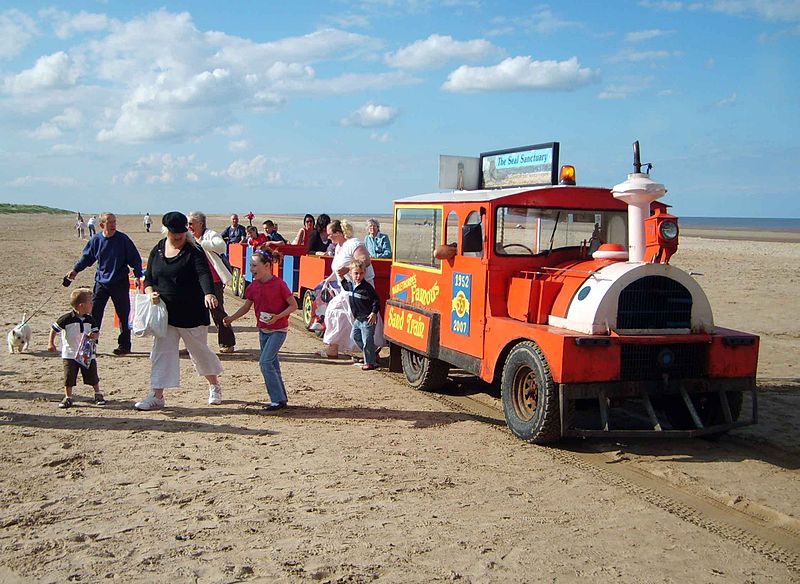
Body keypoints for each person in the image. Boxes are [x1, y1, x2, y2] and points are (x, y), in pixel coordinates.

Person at [134, 211, 224, 410]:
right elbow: (149, 277)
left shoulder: (194, 251)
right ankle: (157, 395)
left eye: (182, 235)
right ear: (167, 232)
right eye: (175, 235)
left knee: (199, 352)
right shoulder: (158, 249)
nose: (179, 238)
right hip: (166, 314)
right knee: (161, 353)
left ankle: (214, 386)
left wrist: (209, 294)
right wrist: (150, 293)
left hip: (192, 313)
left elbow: (203, 273)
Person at [224, 249, 295, 411]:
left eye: (255, 265)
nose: (251, 269)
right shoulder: (253, 286)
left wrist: (278, 317)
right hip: (263, 331)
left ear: (268, 266)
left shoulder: (279, 285)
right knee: (272, 364)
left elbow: (293, 305)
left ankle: (276, 400)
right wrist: (231, 318)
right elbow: (246, 307)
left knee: (265, 362)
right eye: (250, 265)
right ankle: (281, 398)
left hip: (278, 330)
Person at [67, 212, 143, 356]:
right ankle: (91, 345)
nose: (113, 224)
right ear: (102, 225)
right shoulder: (96, 240)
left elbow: (135, 258)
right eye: (110, 222)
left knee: (123, 314)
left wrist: (138, 275)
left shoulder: (123, 239)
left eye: (114, 222)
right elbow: (86, 258)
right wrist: (75, 271)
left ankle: (124, 346)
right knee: (94, 314)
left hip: (120, 282)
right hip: (101, 282)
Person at [319, 219, 375, 359]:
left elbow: (365, 260)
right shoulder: (339, 247)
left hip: (360, 290)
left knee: (356, 320)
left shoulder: (354, 244)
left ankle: (368, 353)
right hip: (346, 290)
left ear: (338, 233)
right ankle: (333, 348)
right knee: (337, 314)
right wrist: (330, 278)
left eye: (330, 234)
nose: (328, 237)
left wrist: (348, 269)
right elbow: (338, 267)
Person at [47, 288, 106, 408]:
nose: (92, 304)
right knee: (69, 377)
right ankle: (68, 397)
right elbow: (54, 329)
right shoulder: (66, 319)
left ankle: (97, 393)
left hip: (87, 353)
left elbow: (96, 333)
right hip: (70, 353)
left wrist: (94, 336)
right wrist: (50, 343)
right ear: (81, 305)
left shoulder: (90, 319)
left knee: (92, 375)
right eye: (90, 302)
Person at [188, 211, 236, 353]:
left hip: (213, 281)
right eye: (188, 224)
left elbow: (221, 247)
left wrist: (202, 243)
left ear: (200, 224)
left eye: (191, 223)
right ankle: (193, 344)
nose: (189, 226)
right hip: (195, 282)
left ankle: (227, 343)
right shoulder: (188, 237)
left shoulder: (210, 235)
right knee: (193, 313)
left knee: (217, 312)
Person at [340, 260, 380, 370]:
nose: (358, 276)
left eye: (361, 273)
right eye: (356, 273)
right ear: (351, 274)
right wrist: (341, 274)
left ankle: (370, 362)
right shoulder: (351, 286)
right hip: (358, 319)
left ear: (365, 273)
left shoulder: (367, 288)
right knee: (355, 336)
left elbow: (376, 300)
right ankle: (370, 355)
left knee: (367, 340)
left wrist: (374, 312)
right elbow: (344, 284)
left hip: (367, 319)